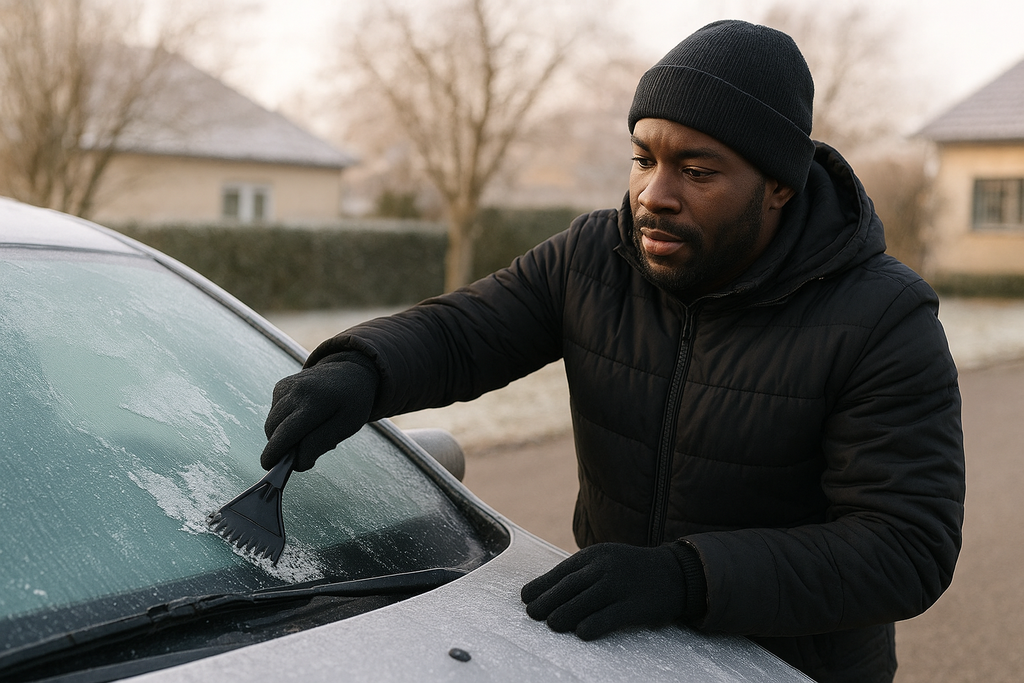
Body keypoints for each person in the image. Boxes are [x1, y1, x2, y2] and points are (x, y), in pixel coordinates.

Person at [260, 20, 965, 683]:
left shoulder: (882, 317)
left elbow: (905, 548)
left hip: (788, 666)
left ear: (778, 185)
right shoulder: (596, 255)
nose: (655, 195)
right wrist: (362, 369)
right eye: (643, 158)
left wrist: (685, 577)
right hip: (621, 650)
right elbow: (464, 333)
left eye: (697, 170)